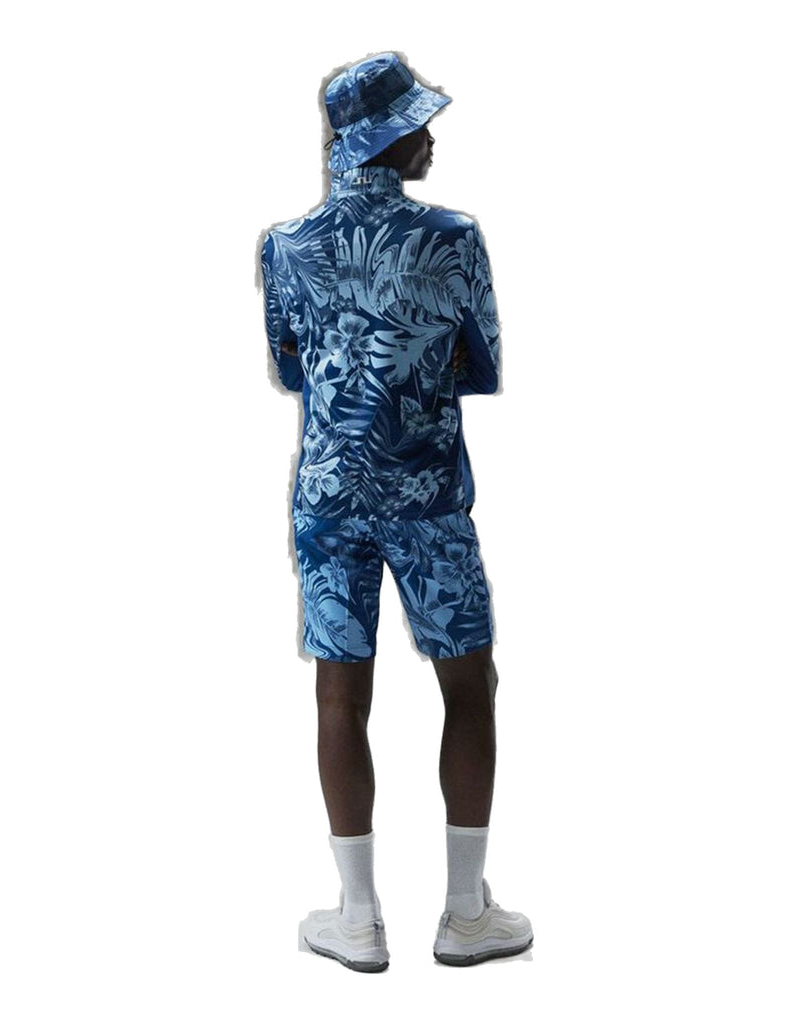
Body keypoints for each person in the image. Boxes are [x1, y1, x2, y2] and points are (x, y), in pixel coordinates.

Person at [258, 52, 533, 971]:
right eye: (418, 125)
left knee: (341, 695)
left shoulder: (285, 245)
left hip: (330, 498)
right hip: (428, 496)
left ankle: (357, 918)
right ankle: (466, 912)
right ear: (385, 140)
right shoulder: (454, 238)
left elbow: (292, 366)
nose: (430, 137)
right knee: (470, 684)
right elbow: (482, 365)